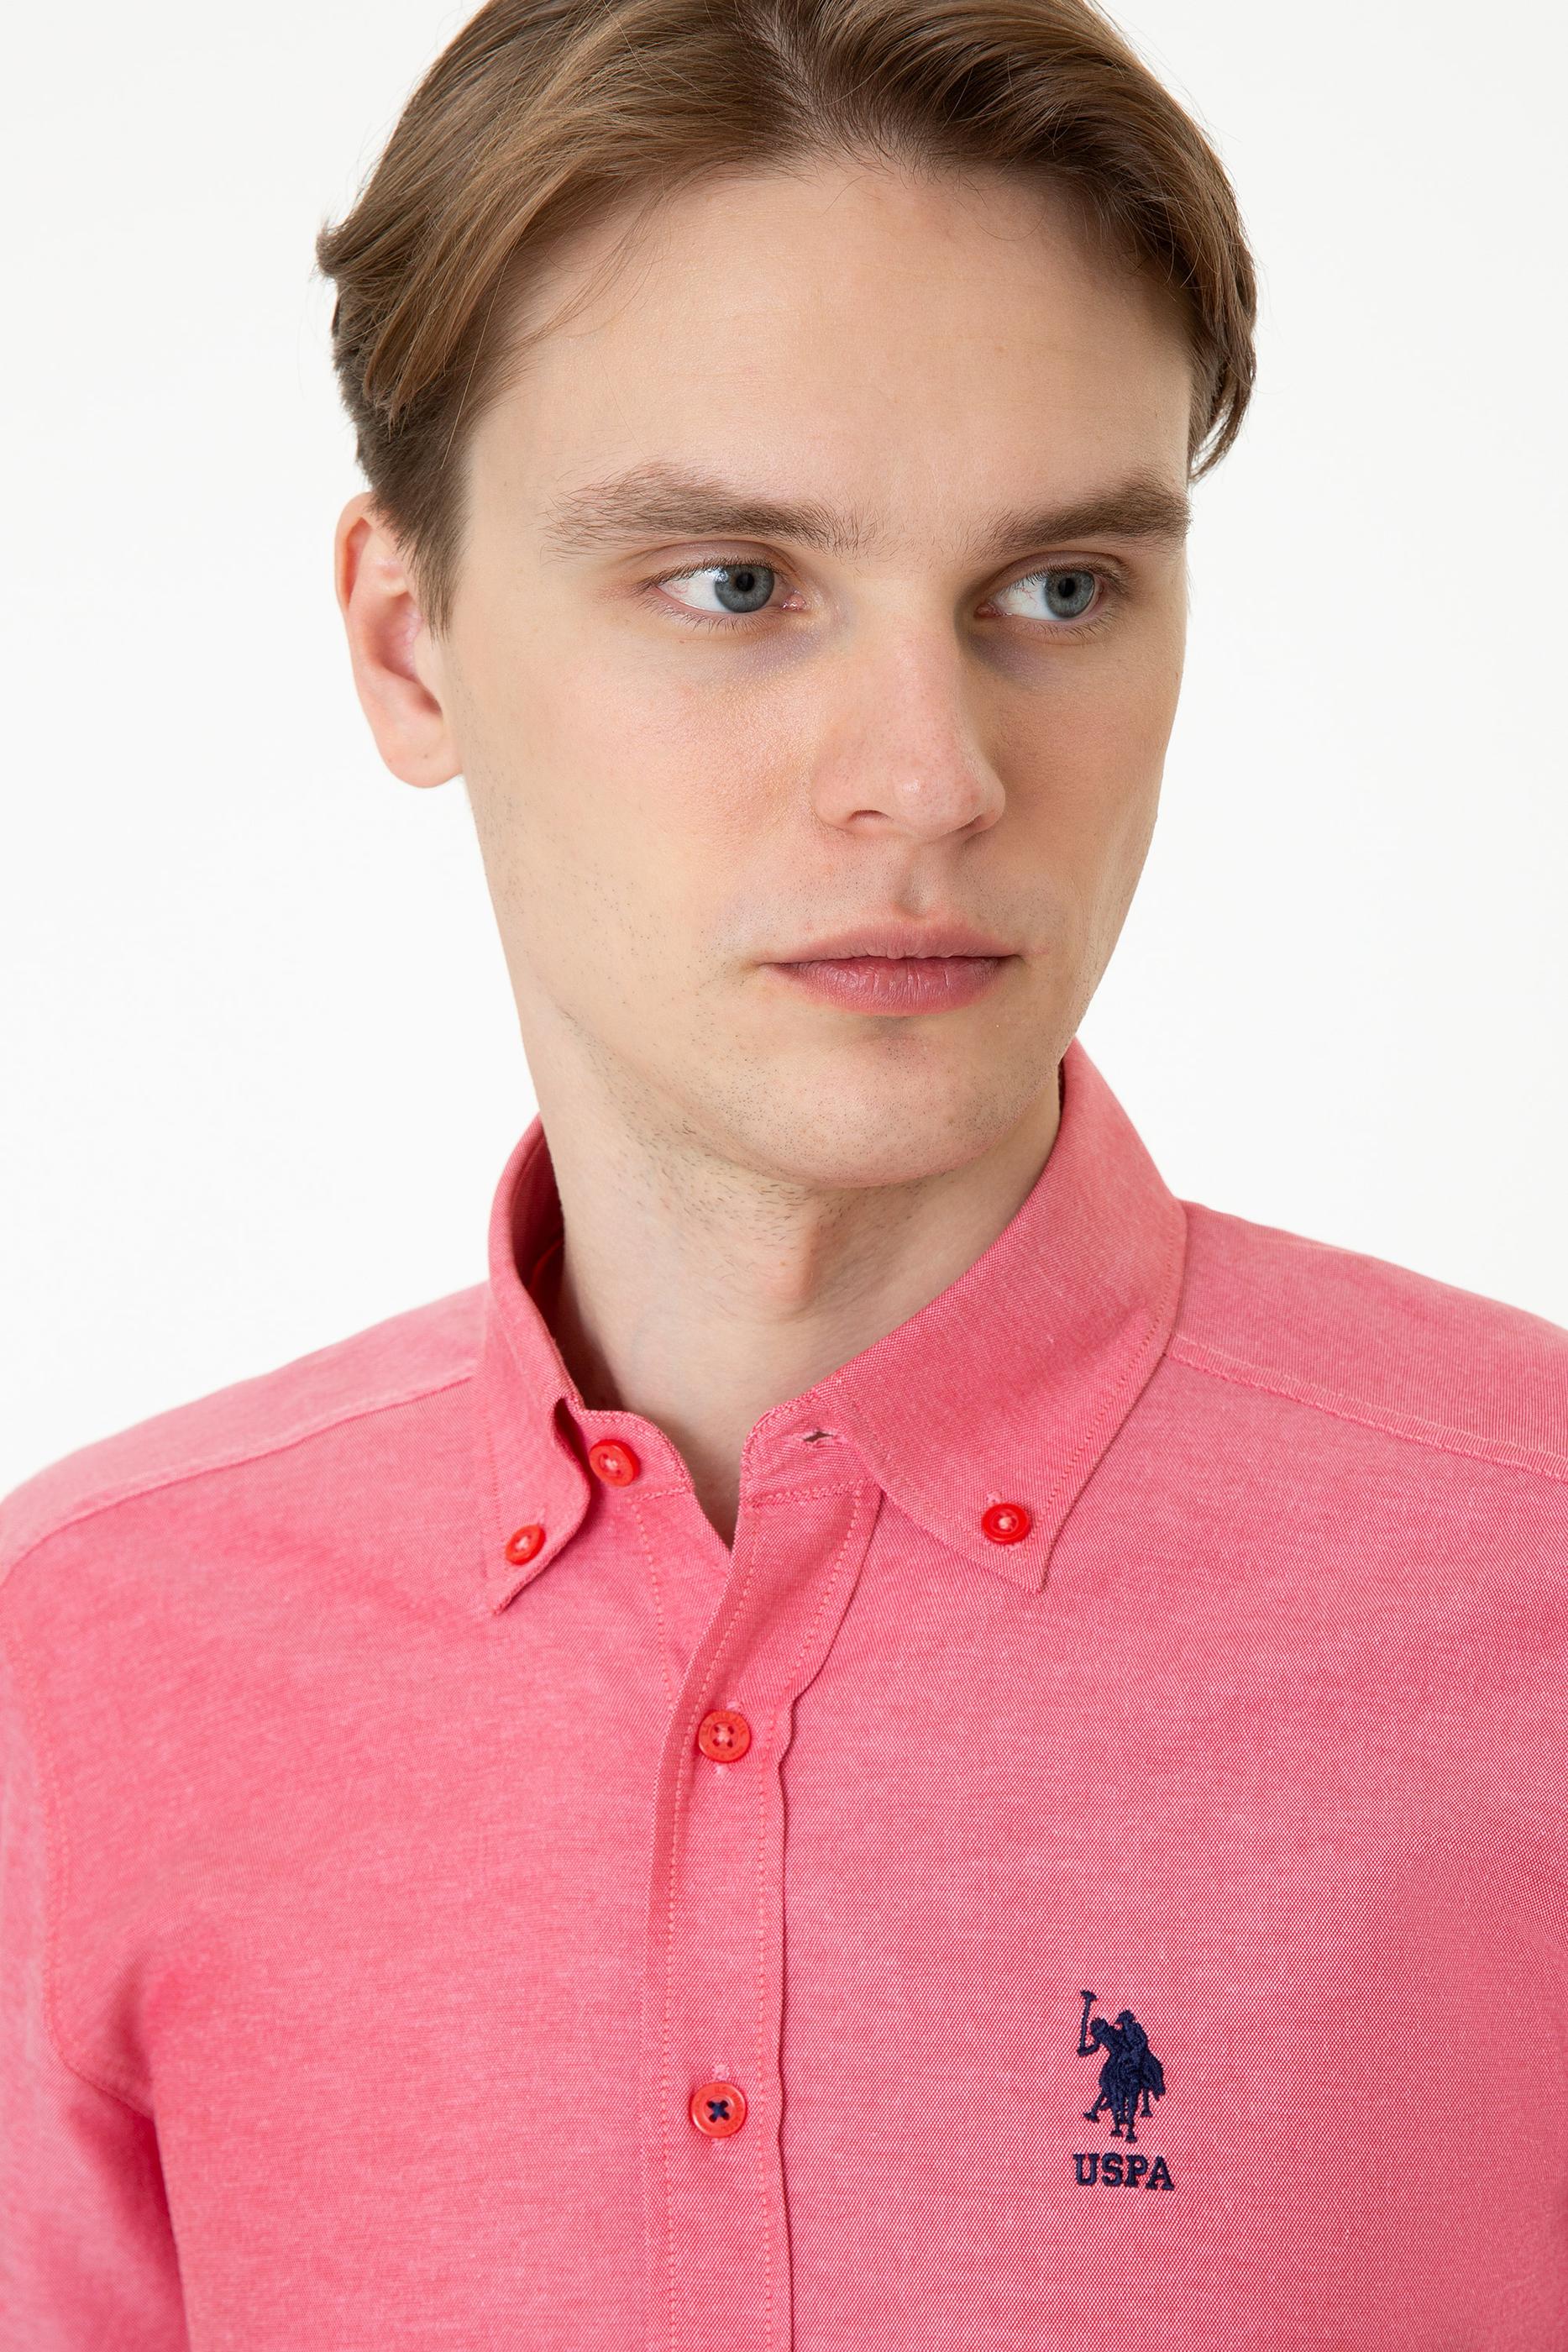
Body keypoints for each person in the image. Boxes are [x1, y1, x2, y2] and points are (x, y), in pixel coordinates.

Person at [3, 0, 1565, 2344]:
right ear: (411, 649)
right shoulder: (86, 1661)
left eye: (1060, 588)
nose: (931, 779)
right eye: (735, 582)